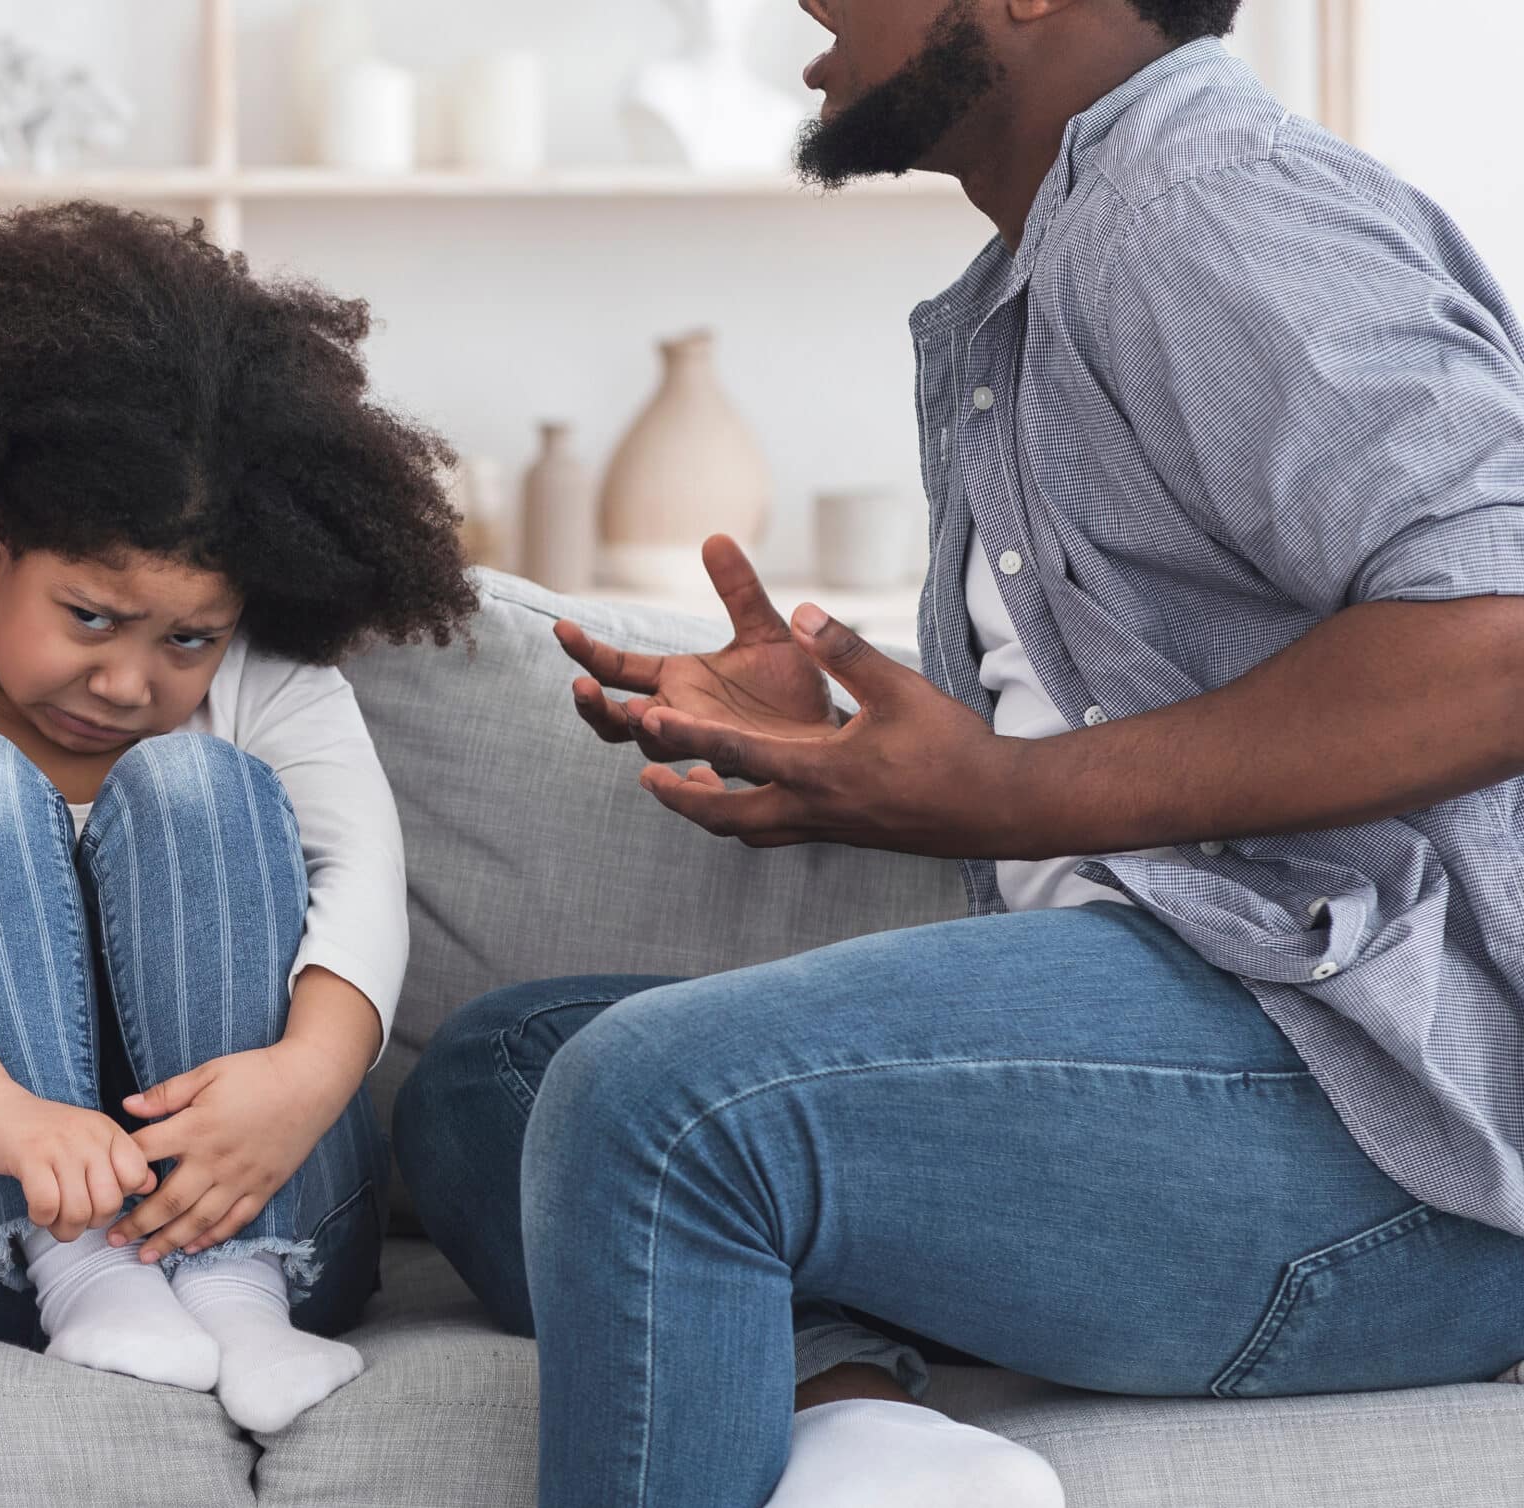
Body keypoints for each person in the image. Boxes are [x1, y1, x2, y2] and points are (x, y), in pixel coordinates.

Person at [394, 2, 1524, 1505]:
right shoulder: (1051, 262)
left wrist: (1002, 793)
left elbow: (1499, 633)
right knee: (496, 1075)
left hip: (1389, 1147)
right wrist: (851, 753)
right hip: (1196, 1085)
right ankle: (865, 1435)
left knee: (653, 1103)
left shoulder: (1205, 204)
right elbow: (1119, 737)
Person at [0, 200, 477, 1434]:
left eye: (188, 637)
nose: (130, 682)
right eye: (89, 615)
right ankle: (79, 1264)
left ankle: (234, 1290)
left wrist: (304, 1076)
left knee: (192, 777)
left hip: (278, 1234)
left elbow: (364, 879)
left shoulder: (274, 694)